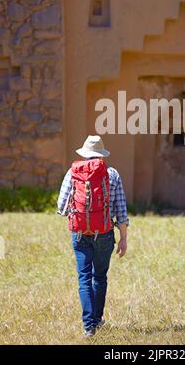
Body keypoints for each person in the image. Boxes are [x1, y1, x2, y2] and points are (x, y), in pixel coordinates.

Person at [57, 135, 129, 336]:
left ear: (84, 153)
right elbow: (120, 209)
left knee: (84, 278)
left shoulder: (72, 173)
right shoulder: (112, 174)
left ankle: (89, 326)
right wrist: (123, 238)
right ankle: (97, 319)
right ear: (102, 155)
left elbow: (61, 207)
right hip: (105, 233)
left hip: (80, 233)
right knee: (99, 277)